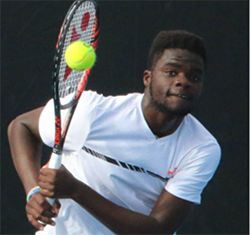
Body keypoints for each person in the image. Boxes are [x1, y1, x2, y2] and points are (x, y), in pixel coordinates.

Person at [8, 30, 221, 235]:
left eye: (195, 77)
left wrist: (74, 189)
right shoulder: (92, 113)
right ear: (148, 78)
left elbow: (157, 229)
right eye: (171, 72)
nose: (183, 81)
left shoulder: (201, 148)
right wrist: (33, 190)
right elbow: (22, 126)